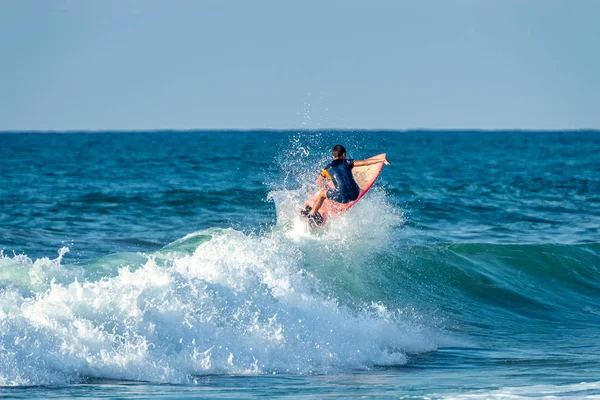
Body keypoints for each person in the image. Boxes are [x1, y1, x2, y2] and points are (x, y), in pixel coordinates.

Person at [301, 144, 390, 224]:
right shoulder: (348, 162)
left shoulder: (327, 168)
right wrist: (381, 160)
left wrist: (324, 187)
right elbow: (365, 163)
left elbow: (318, 181)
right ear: (343, 155)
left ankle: (311, 215)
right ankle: (344, 193)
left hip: (342, 197)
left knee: (322, 194)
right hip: (355, 194)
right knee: (350, 180)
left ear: (333, 156)